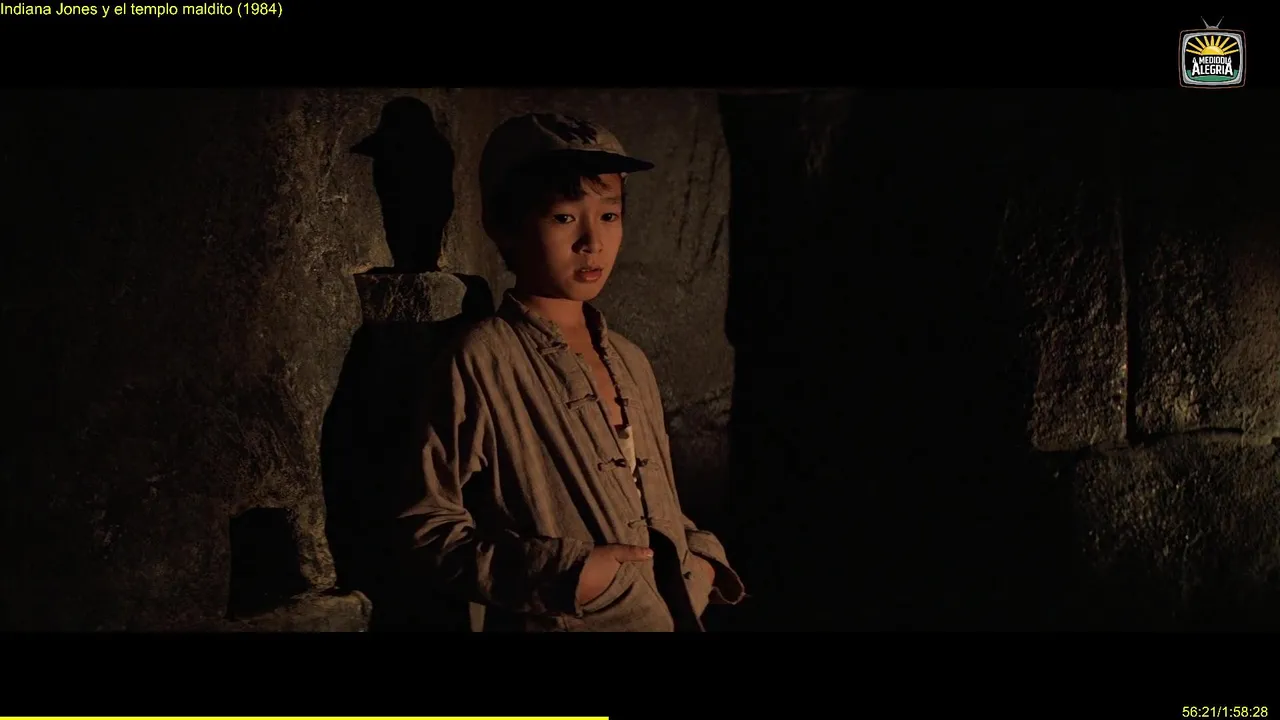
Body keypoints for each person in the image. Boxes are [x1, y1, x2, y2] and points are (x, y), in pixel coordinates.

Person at [398, 112, 745, 631]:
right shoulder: (482, 358)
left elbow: (650, 500)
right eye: (564, 217)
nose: (592, 242)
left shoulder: (629, 359)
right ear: (503, 224)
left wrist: (700, 561)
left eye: (609, 215)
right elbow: (425, 527)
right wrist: (569, 576)